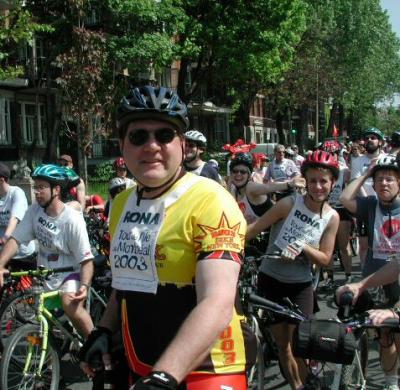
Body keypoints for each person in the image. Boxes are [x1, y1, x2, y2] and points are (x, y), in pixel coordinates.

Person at [79, 86, 256, 390]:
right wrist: (105, 330)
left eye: (163, 135)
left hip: (207, 368)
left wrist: (165, 375)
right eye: (138, 137)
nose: (151, 146)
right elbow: (125, 281)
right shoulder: (122, 203)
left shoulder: (211, 200)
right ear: (122, 145)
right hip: (142, 362)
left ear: (182, 145)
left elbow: (217, 300)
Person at [247, 150, 340, 390]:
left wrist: (303, 247)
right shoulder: (288, 204)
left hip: (301, 285)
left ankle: (307, 381)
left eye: (324, 181)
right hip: (271, 280)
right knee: (283, 346)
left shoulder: (332, 217)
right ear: (305, 181)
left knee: (302, 346)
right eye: (313, 180)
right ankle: (299, 387)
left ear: (332, 184)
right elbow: (253, 230)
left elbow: (325, 259)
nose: (318, 186)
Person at [0, 164, 94, 338]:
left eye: (41, 187)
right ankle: (51, 358)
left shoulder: (72, 220)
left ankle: (96, 346)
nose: (36, 192)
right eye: (35, 187)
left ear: (56, 190)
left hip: (70, 273)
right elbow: (15, 239)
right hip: (46, 274)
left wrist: (84, 286)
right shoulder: (35, 210)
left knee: (69, 304)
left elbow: (86, 260)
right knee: (44, 319)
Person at [339, 154, 400, 390]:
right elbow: (345, 198)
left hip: (397, 278)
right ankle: (391, 382)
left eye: (390, 179)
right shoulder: (370, 204)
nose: (384, 183)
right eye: (380, 180)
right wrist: (366, 174)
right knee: (384, 336)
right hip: (374, 276)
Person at [350, 127, 386, 269]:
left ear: (380, 141)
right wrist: (369, 202)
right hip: (366, 206)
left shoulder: (387, 158)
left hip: (385, 207)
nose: (369, 140)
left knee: (385, 244)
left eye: (373, 137)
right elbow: (355, 183)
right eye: (367, 138)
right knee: (364, 244)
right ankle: (366, 273)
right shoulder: (358, 161)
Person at [322, 140, 353, 285]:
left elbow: (350, 188)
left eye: (333, 153)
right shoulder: (322, 168)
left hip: (341, 209)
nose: (330, 156)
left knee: (343, 245)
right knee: (326, 245)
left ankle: (348, 275)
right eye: (327, 153)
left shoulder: (344, 170)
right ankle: (329, 276)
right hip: (326, 208)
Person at [0, 162, 36, 269]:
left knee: (27, 286)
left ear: (1, 180)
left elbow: (14, 218)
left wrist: (5, 237)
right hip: (4, 255)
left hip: (22, 255)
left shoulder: (16, 193)